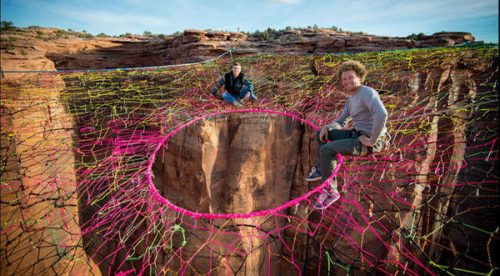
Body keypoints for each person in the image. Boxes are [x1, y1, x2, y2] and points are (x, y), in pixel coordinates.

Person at [305, 60, 389, 210]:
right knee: (321, 134)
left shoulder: (367, 92)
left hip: (368, 142)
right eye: (344, 79)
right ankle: (322, 168)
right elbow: (342, 120)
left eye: (351, 77)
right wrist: (327, 127)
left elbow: (382, 114)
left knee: (327, 150)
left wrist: (372, 140)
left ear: (360, 77)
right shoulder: (351, 99)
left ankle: (331, 191)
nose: (347, 81)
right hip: (356, 135)